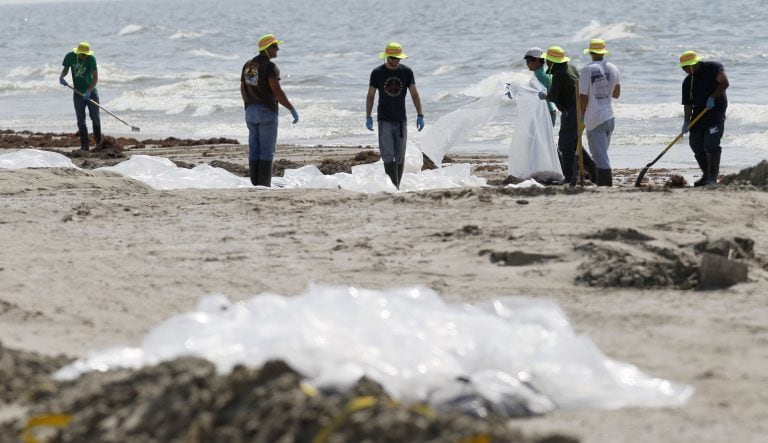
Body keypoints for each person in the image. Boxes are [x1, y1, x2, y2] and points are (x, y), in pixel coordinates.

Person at [240, 33, 299, 187]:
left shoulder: (249, 65)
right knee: (266, 150)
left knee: (254, 149)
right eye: (275, 46)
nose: (278, 49)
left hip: (250, 112)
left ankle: (255, 184)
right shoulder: (270, 67)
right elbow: (277, 91)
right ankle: (264, 185)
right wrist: (291, 109)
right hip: (266, 112)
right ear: (267, 48)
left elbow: (243, 88)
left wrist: (249, 106)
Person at [365, 42, 424, 189]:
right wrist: (368, 116)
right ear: (386, 56)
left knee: (400, 155)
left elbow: (415, 94)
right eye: (391, 57)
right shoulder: (377, 73)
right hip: (384, 119)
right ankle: (393, 187)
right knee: (387, 155)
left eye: (397, 58)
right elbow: (371, 96)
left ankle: (396, 186)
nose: (394, 61)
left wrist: (420, 114)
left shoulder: (407, 72)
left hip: (400, 120)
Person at [538, 46, 596, 185]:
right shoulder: (571, 67)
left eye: (547, 60)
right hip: (581, 108)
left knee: (564, 145)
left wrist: (543, 96)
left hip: (571, 111)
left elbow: (552, 96)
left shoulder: (559, 74)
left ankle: (570, 178)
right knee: (574, 143)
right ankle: (594, 170)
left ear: (552, 62)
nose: (546, 62)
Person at [679, 50, 729, 186]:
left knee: (711, 143)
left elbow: (724, 83)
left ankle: (712, 178)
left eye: (685, 67)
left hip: (715, 112)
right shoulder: (688, 82)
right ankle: (706, 175)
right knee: (695, 144)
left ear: (692, 64)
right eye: (682, 68)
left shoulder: (713, 68)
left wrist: (712, 97)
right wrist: (686, 122)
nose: (684, 70)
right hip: (699, 114)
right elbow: (688, 104)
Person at [578, 39, 621, 186]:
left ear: (590, 53)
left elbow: (582, 97)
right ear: (603, 52)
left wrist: (582, 116)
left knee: (600, 157)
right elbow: (616, 94)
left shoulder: (587, 70)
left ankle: (605, 186)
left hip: (594, 119)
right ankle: (602, 183)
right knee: (602, 154)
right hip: (609, 117)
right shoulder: (613, 68)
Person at [59, 42, 101, 151]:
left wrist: (89, 91)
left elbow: (95, 78)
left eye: (86, 54)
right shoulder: (70, 56)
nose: (85, 56)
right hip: (77, 93)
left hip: (91, 93)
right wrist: (62, 77)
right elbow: (65, 69)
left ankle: (99, 145)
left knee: (95, 119)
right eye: (83, 54)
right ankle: (84, 147)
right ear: (78, 52)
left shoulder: (91, 59)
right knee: (81, 121)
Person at [524, 47, 557, 126]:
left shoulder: (540, 75)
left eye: (528, 61)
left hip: (545, 112)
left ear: (537, 60)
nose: (527, 64)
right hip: (549, 110)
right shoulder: (542, 72)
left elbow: (536, 94)